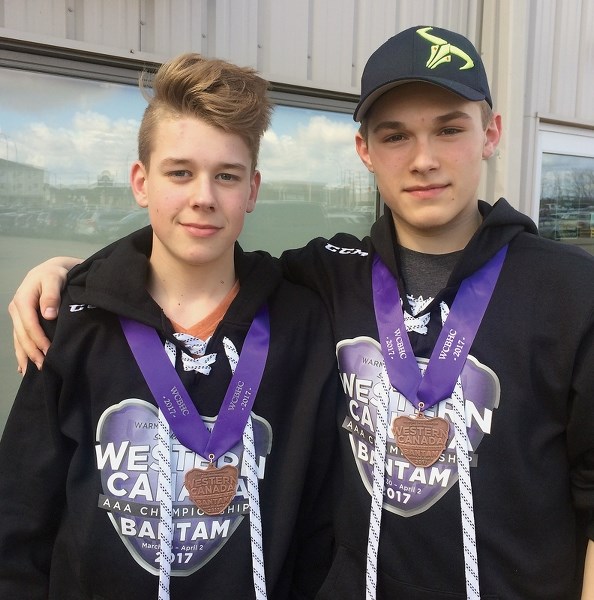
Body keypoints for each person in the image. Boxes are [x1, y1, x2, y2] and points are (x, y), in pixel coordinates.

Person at [8, 25, 594, 599]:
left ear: (491, 133)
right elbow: (192, 253)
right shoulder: (328, 276)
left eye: (449, 130)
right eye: (394, 136)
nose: (424, 160)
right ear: (364, 149)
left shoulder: (572, 291)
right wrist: (76, 276)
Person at [0, 53, 340, 599]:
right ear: (141, 182)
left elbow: (321, 523)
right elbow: (18, 518)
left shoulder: (303, 327)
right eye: (180, 172)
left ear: (252, 190)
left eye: (226, 176)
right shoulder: (75, 324)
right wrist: (78, 276)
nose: (203, 196)